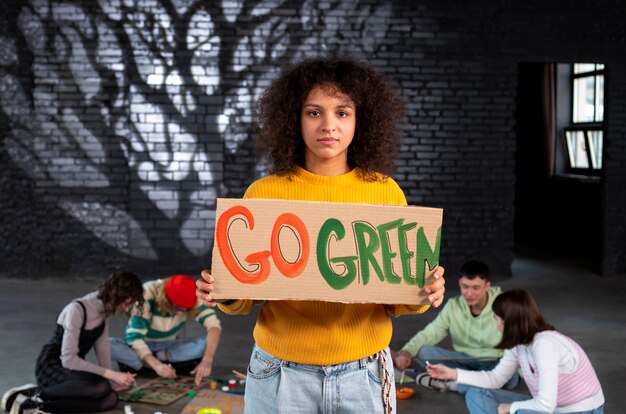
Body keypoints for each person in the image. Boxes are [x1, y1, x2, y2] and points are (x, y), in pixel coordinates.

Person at [195, 57, 446, 414]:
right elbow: (244, 299)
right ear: (293, 119)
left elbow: (399, 298)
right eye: (314, 112)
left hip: (365, 373)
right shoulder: (263, 193)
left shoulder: (386, 193)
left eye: (342, 113)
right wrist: (222, 290)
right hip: (279, 370)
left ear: (362, 119)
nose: (328, 125)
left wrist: (425, 290)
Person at [426, 289, 605, 414]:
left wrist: (509, 408)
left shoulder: (545, 345)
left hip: (582, 411)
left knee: (519, 411)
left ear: (510, 323)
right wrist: (452, 373)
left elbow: (545, 405)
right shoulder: (518, 344)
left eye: (497, 319)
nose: (495, 325)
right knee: (477, 394)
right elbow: (495, 379)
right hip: (554, 408)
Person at [1, 270, 145, 414]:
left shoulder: (105, 312)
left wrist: (114, 381)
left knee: (112, 397)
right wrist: (112, 375)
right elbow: (68, 360)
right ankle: (37, 394)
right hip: (52, 365)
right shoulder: (77, 309)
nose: (126, 309)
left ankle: (38, 408)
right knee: (100, 386)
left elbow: (103, 347)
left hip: (73, 370)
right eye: (126, 303)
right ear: (115, 295)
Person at [394, 260, 518, 393]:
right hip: (463, 360)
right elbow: (431, 332)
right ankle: (474, 382)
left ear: (487, 285)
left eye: (475, 288)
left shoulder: (503, 304)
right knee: (425, 352)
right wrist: (406, 352)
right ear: (459, 284)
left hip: (494, 362)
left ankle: (453, 384)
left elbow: (518, 338)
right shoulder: (453, 306)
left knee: (512, 378)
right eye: (465, 287)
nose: (469, 293)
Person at [110, 274, 221, 386]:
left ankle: (142, 363)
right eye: (176, 308)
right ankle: (158, 363)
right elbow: (135, 338)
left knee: (204, 344)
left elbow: (214, 326)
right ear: (164, 298)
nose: (179, 313)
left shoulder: (194, 295)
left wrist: (207, 360)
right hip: (141, 343)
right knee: (108, 344)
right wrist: (156, 365)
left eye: (184, 310)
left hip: (168, 346)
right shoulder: (146, 295)